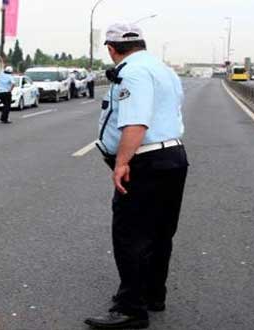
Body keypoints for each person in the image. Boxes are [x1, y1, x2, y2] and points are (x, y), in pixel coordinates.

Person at [84, 23, 188, 329]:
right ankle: (154, 294)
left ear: (111, 49)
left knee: (130, 235)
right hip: (173, 157)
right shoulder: (163, 69)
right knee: (160, 233)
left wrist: (122, 163)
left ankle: (130, 308)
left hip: (146, 161)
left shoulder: (132, 72)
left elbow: (136, 122)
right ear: (142, 44)